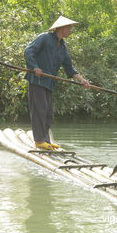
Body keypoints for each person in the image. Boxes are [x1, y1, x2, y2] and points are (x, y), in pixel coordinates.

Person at [24, 16, 89, 150]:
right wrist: (34, 67)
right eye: (69, 28)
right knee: (39, 109)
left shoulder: (62, 46)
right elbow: (28, 51)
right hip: (37, 80)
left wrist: (81, 80)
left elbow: (69, 67)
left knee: (48, 112)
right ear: (62, 28)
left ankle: (46, 140)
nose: (71, 30)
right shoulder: (44, 38)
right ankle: (39, 140)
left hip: (49, 82)